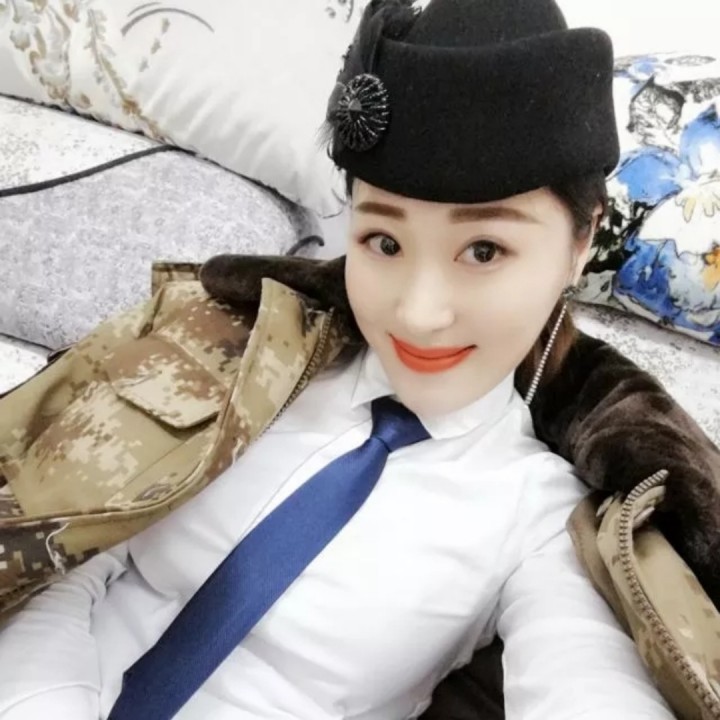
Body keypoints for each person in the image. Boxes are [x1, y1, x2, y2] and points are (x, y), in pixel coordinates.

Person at [0, 0, 717, 718]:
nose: (417, 313)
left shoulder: (541, 517)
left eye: (484, 250)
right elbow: (66, 544)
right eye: (384, 242)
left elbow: (584, 677)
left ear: (580, 243)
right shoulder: (237, 360)